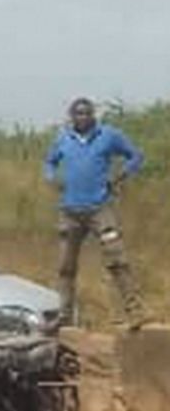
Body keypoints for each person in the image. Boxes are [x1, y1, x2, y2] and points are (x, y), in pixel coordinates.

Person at [43, 98, 147, 327]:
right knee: (65, 267)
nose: (82, 117)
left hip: (100, 209)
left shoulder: (108, 135)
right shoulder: (63, 138)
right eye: (77, 113)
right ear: (71, 116)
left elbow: (136, 156)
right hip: (70, 211)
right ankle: (64, 316)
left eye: (86, 113)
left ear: (93, 115)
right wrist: (52, 177)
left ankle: (135, 311)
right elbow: (49, 163)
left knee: (117, 259)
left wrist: (119, 176)